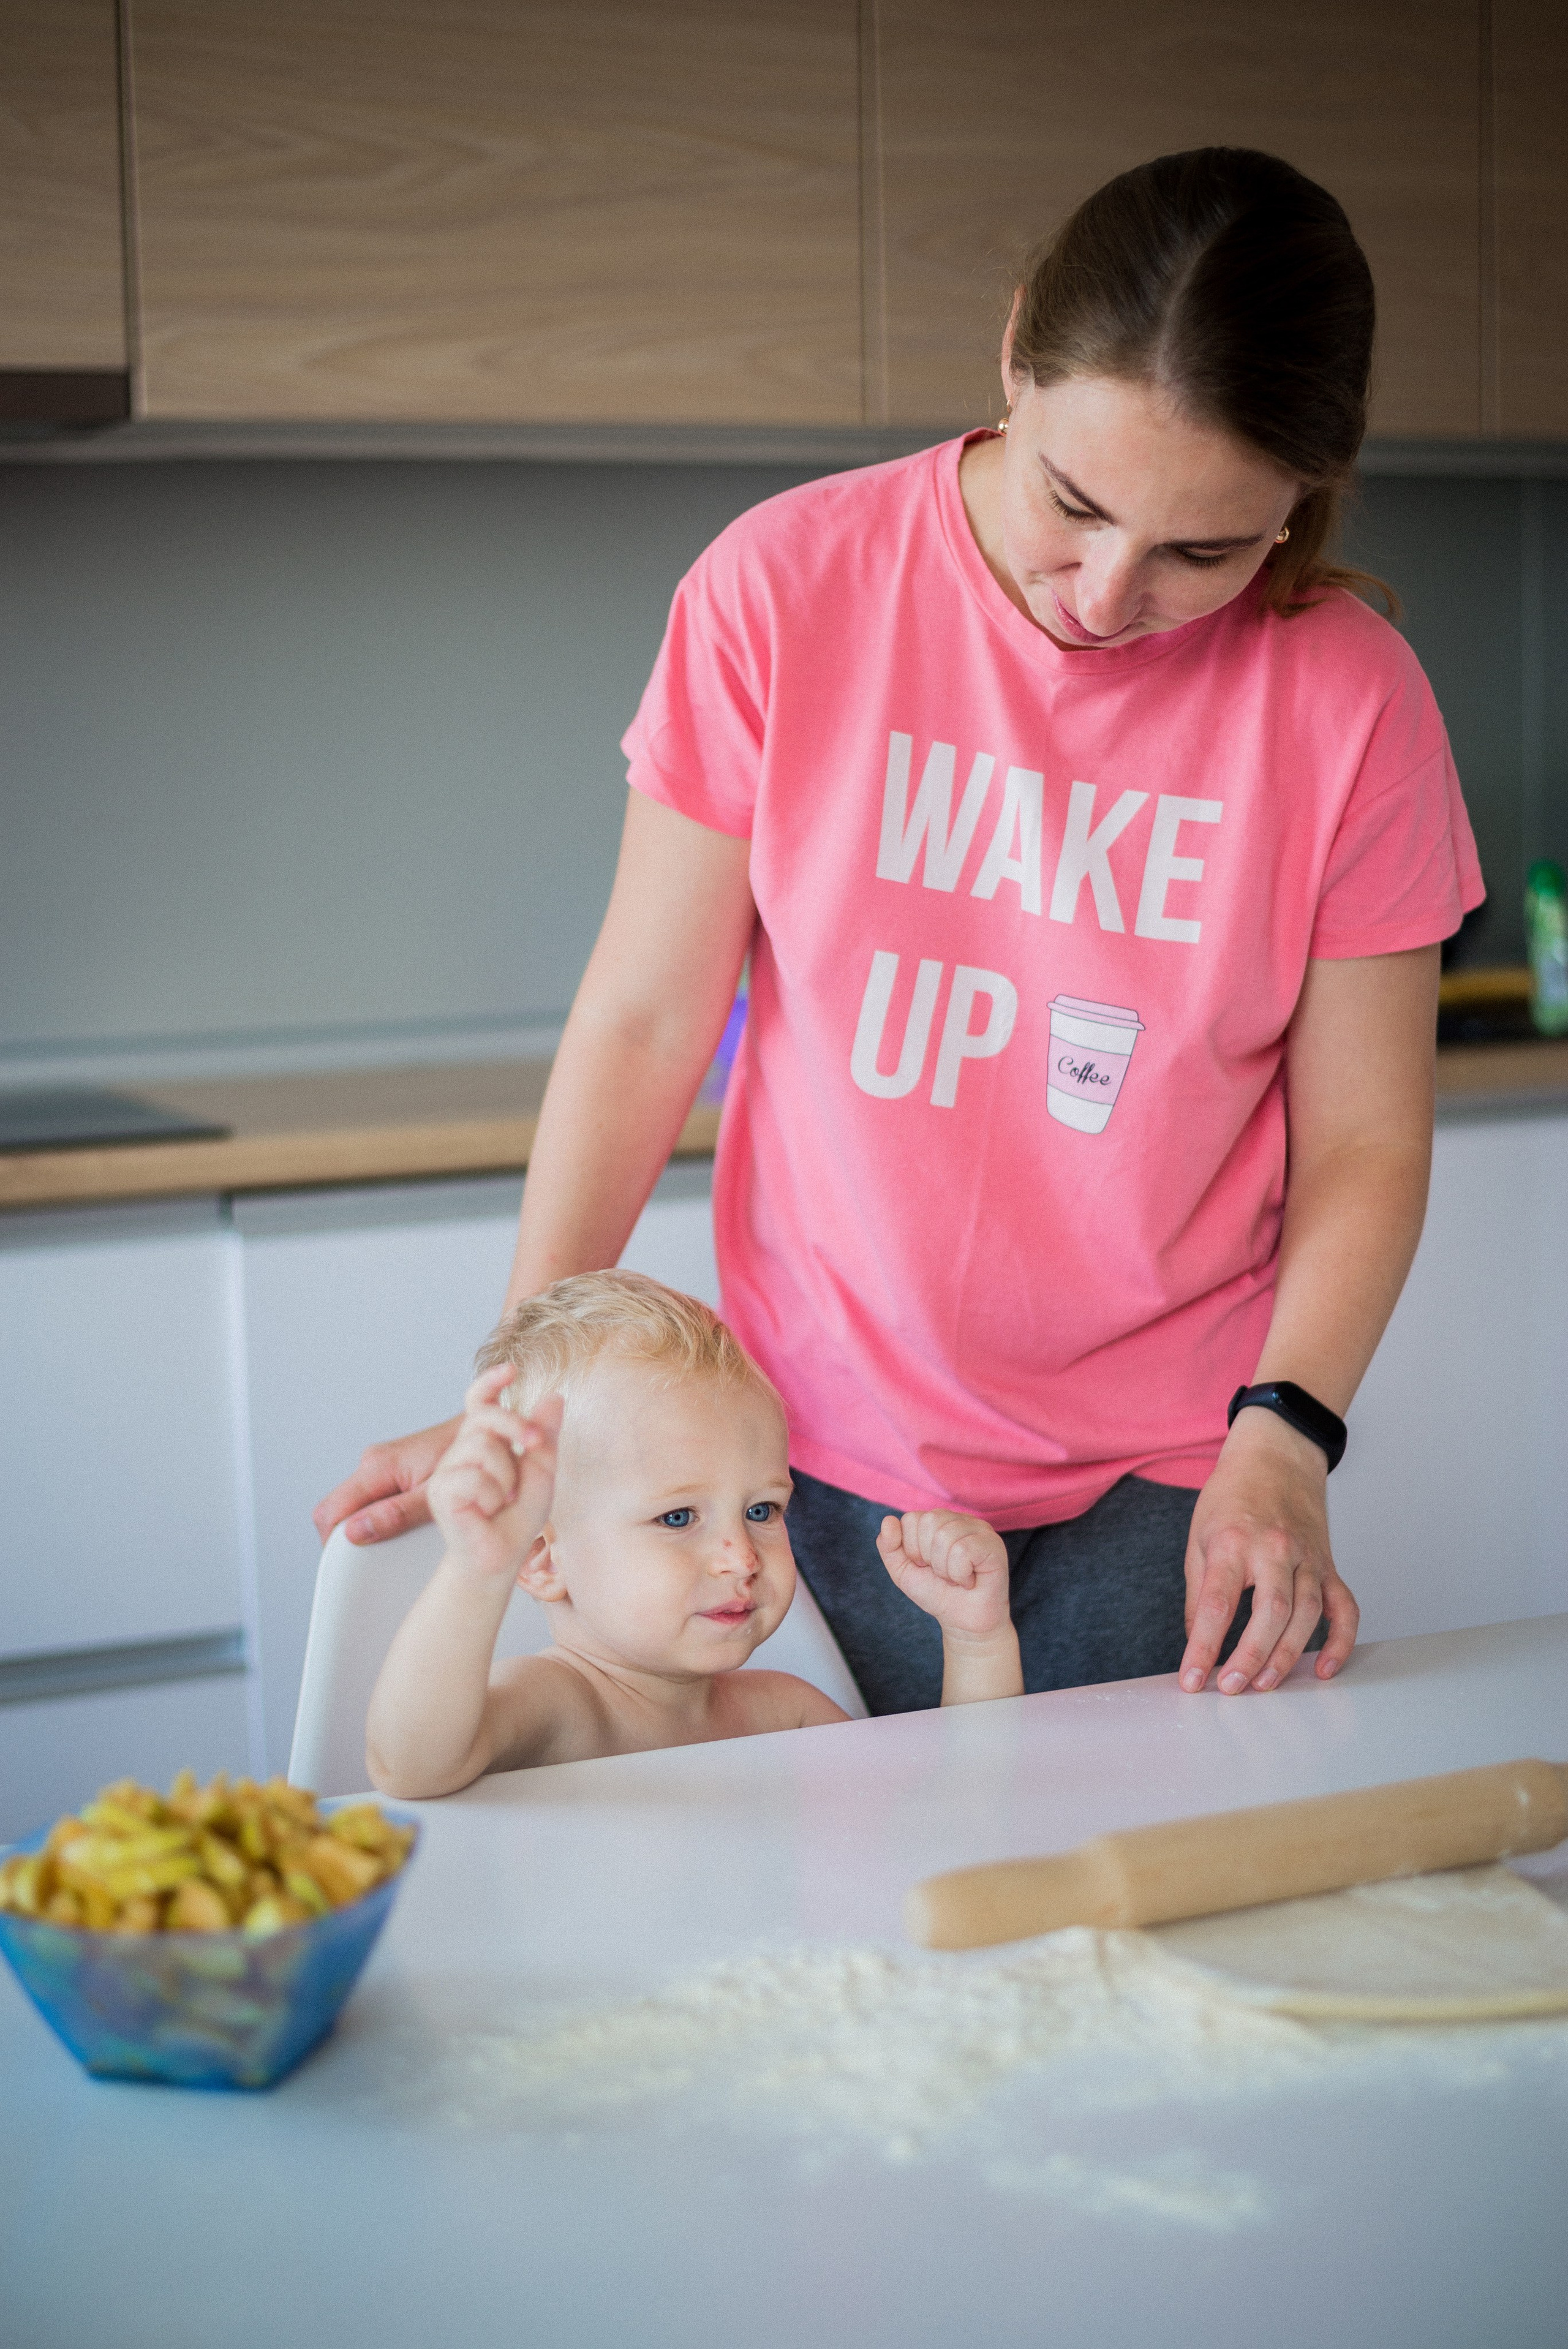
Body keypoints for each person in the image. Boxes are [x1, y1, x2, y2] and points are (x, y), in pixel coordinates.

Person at [322, 147, 1482, 1722]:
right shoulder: (783, 587)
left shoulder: (1351, 701)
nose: (1100, 591)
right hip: (783, 1457)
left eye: (1203, 552)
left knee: (1097, 1930)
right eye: (1071, 503)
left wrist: (1283, 1436)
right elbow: (648, 1017)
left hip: (1165, 1475)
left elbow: (1361, 1138)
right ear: (1013, 353)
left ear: (1299, 498)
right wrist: (521, 1396)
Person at [365, 1272, 1021, 1795]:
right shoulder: (557, 1709)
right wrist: (475, 1572)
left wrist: (976, 1641)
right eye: (678, 1518)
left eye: (761, 1510)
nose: (740, 1556)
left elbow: (951, 1823)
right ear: (541, 1559)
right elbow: (411, 1766)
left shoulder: (784, 1715)